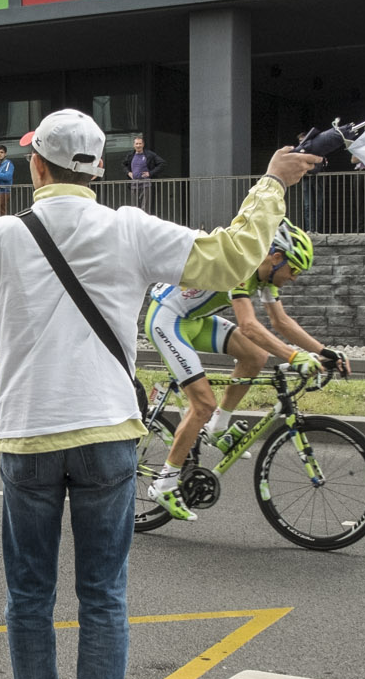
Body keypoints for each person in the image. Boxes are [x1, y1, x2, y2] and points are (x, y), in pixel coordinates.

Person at [0, 108, 321, 679]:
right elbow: (234, 255)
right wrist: (271, 181)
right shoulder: (128, 229)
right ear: (100, 168)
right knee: (103, 593)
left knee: (30, 593)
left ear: (36, 166)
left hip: (28, 435)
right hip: (108, 435)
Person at [143, 221, 347, 521]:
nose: (293, 278)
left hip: (194, 319)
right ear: (276, 257)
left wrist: (322, 351)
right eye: (293, 270)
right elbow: (249, 325)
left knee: (255, 356)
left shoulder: (265, 276)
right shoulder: (241, 266)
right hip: (168, 321)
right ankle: (165, 483)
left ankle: (217, 427)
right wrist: (294, 356)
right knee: (203, 403)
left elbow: (280, 322)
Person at [119, 135, 165, 211]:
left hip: (146, 184)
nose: (138, 145)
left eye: (140, 143)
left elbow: (162, 163)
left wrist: (150, 173)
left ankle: (145, 223)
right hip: (134, 184)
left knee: (145, 208)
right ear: (134, 145)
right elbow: (123, 164)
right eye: (136, 144)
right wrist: (128, 173)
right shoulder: (130, 155)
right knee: (135, 209)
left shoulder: (149, 154)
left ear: (143, 144)